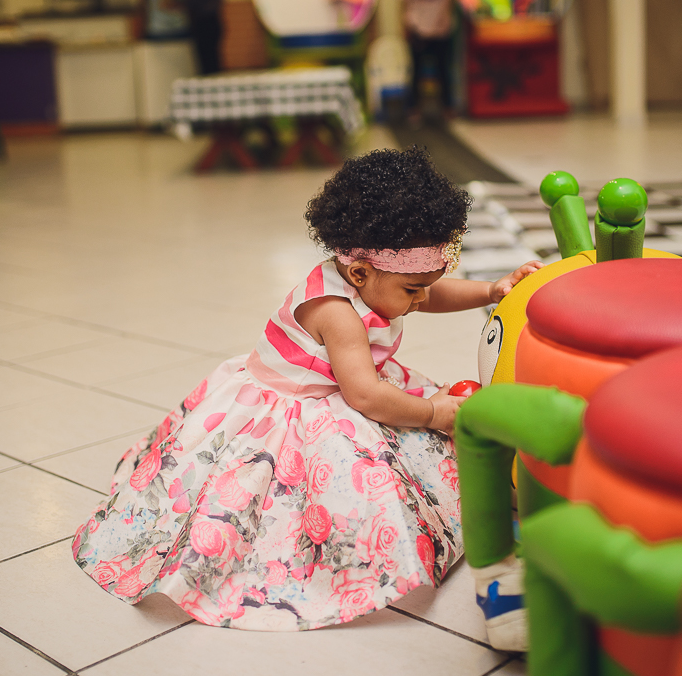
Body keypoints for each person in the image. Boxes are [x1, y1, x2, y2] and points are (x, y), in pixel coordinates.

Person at [72, 147, 542, 631]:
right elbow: (364, 397)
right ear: (360, 273)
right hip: (293, 416)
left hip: (346, 389)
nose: (422, 298)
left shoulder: (383, 276)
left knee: (417, 439)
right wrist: (431, 414)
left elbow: (431, 292)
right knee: (345, 479)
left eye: (427, 284)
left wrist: (490, 290)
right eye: (412, 290)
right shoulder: (336, 312)